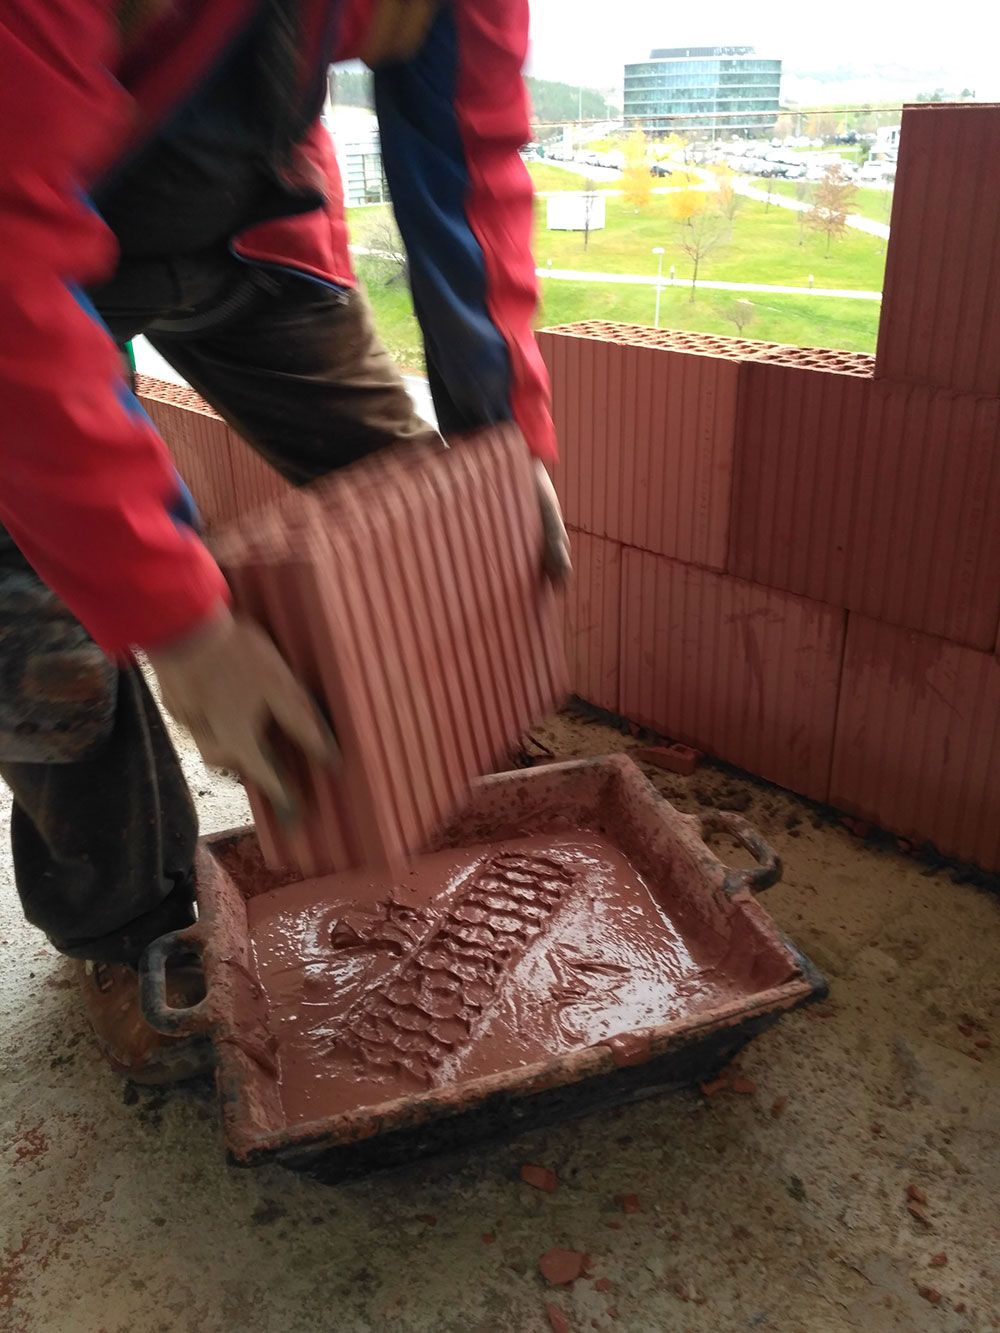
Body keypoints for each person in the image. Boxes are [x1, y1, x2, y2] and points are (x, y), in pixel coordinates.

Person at [0, 0, 570, 1083]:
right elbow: (10, 277)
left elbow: (468, 154)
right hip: (22, 223)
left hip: (244, 220)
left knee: (410, 495)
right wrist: (180, 616)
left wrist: (505, 440)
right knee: (33, 620)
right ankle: (131, 929)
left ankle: (445, 763)